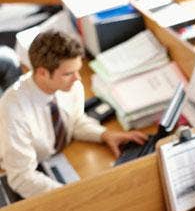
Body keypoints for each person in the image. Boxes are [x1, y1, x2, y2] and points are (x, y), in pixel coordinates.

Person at [0, 30, 147, 199]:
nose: (77, 78)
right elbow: (21, 178)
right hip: (19, 168)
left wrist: (104, 134)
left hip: (58, 157)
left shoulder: (70, 86)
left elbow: (74, 121)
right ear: (42, 73)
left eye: (78, 70)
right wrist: (72, 196)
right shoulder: (13, 111)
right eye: (68, 73)